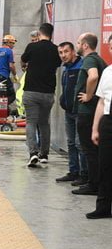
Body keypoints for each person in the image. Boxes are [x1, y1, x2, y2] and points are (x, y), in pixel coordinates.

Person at [21, 23, 61, 167]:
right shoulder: (56, 50)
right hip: (48, 92)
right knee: (44, 123)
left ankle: (33, 153)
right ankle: (44, 154)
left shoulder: (32, 47)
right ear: (51, 33)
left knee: (31, 122)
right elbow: (57, 64)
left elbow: (24, 60)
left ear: (39, 33)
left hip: (31, 91)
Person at [74, 33, 108, 192]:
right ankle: (93, 181)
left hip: (87, 112)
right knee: (92, 150)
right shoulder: (100, 59)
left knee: (89, 149)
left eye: (79, 42)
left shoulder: (90, 60)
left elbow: (93, 76)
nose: (77, 45)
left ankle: (93, 184)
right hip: (92, 112)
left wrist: (88, 95)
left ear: (85, 45)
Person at [56, 41, 87, 184]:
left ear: (73, 51)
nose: (63, 55)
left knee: (79, 143)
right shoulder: (66, 69)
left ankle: (84, 174)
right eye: (61, 53)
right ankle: (73, 171)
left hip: (79, 112)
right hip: (69, 111)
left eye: (66, 52)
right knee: (70, 143)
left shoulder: (81, 67)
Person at [89, 45, 112, 219]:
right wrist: (95, 128)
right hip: (108, 121)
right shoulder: (107, 72)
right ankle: (103, 206)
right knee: (105, 165)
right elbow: (102, 102)